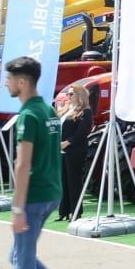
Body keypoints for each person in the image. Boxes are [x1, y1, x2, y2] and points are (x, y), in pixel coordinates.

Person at [0, 56, 86, 269]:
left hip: (33, 197)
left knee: (21, 260)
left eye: (8, 78)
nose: (5, 83)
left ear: (22, 81)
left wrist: (17, 208)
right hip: (51, 193)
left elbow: (23, 164)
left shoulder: (28, 116)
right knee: (19, 256)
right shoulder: (46, 109)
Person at [56, 85, 92, 222]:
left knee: (74, 181)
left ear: (79, 95)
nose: (68, 96)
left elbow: (82, 132)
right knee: (63, 181)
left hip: (75, 150)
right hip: (61, 149)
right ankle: (64, 211)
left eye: (71, 94)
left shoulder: (85, 111)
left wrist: (68, 142)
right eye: (68, 94)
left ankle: (76, 212)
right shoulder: (65, 110)